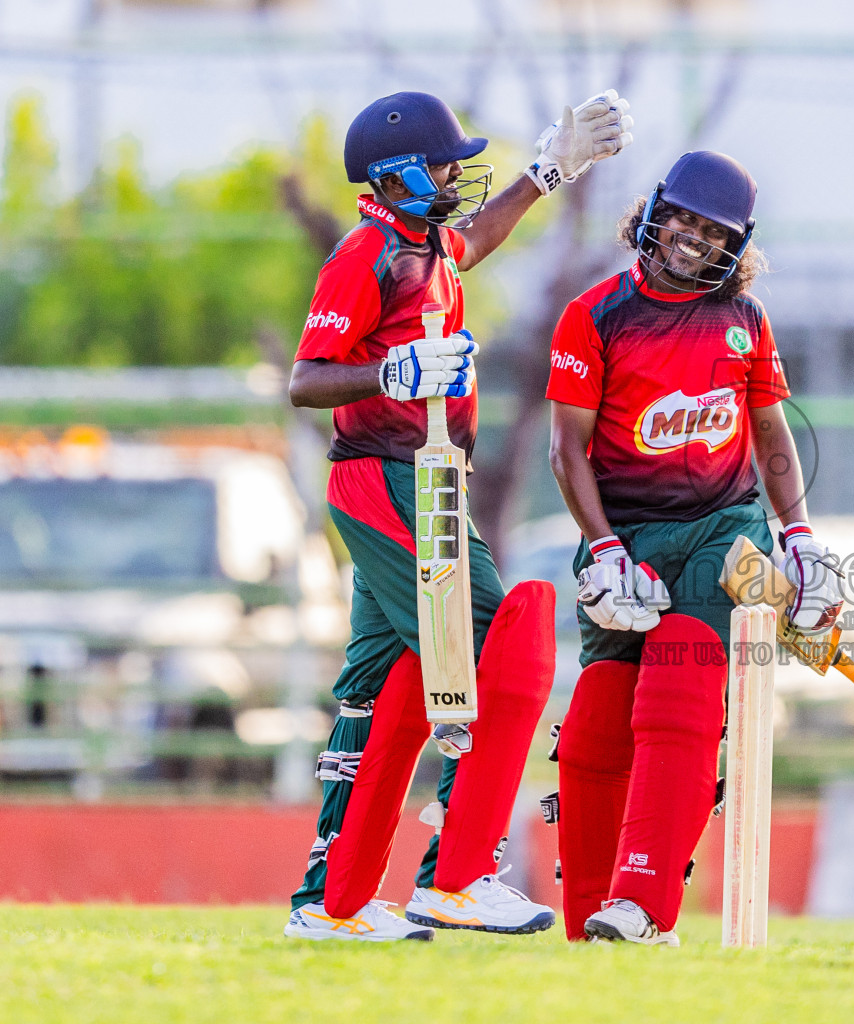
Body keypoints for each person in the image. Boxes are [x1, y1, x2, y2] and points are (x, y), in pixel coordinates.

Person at [282, 89, 634, 942]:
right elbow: (305, 380)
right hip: (388, 478)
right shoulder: (364, 253)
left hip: (431, 479)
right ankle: (458, 872)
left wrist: (550, 170)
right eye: (442, 164)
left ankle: (330, 901)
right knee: (491, 641)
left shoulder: (424, 243)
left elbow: (474, 240)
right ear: (398, 173)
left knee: (371, 695)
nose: (454, 177)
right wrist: (392, 371)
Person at [545, 150, 843, 945]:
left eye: (713, 232)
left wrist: (801, 536)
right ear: (653, 211)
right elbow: (566, 449)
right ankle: (591, 919)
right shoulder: (595, 314)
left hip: (723, 527)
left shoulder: (743, 318)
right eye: (680, 217)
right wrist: (604, 549)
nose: (690, 238)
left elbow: (771, 427)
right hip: (628, 535)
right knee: (601, 717)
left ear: (734, 245)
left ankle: (644, 903)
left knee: (680, 679)